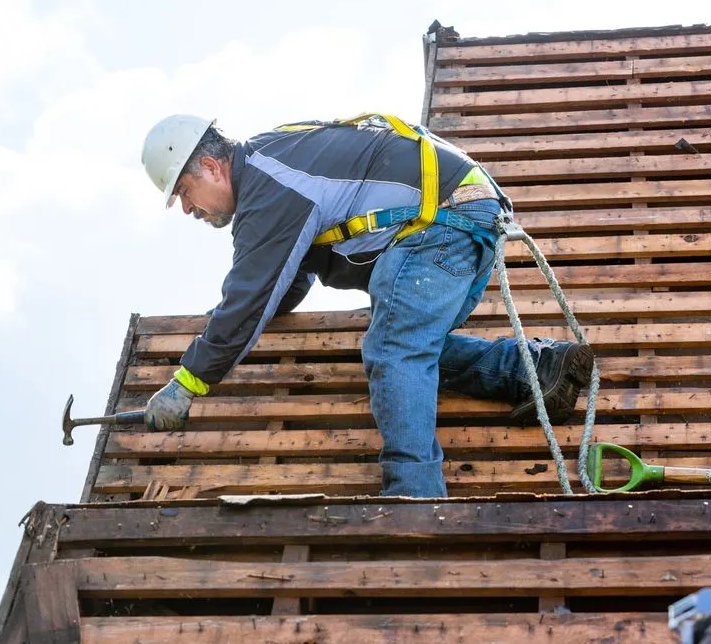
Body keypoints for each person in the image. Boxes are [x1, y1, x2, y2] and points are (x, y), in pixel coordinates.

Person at [137, 113, 594, 498]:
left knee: (394, 350)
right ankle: (533, 370)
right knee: (409, 346)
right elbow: (284, 283)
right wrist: (245, 322)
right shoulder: (276, 168)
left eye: (182, 192)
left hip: (440, 224)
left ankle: (414, 496)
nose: (186, 209)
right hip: (461, 219)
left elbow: (249, 295)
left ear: (212, 167)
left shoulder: (266, 185)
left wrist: (188, 381)